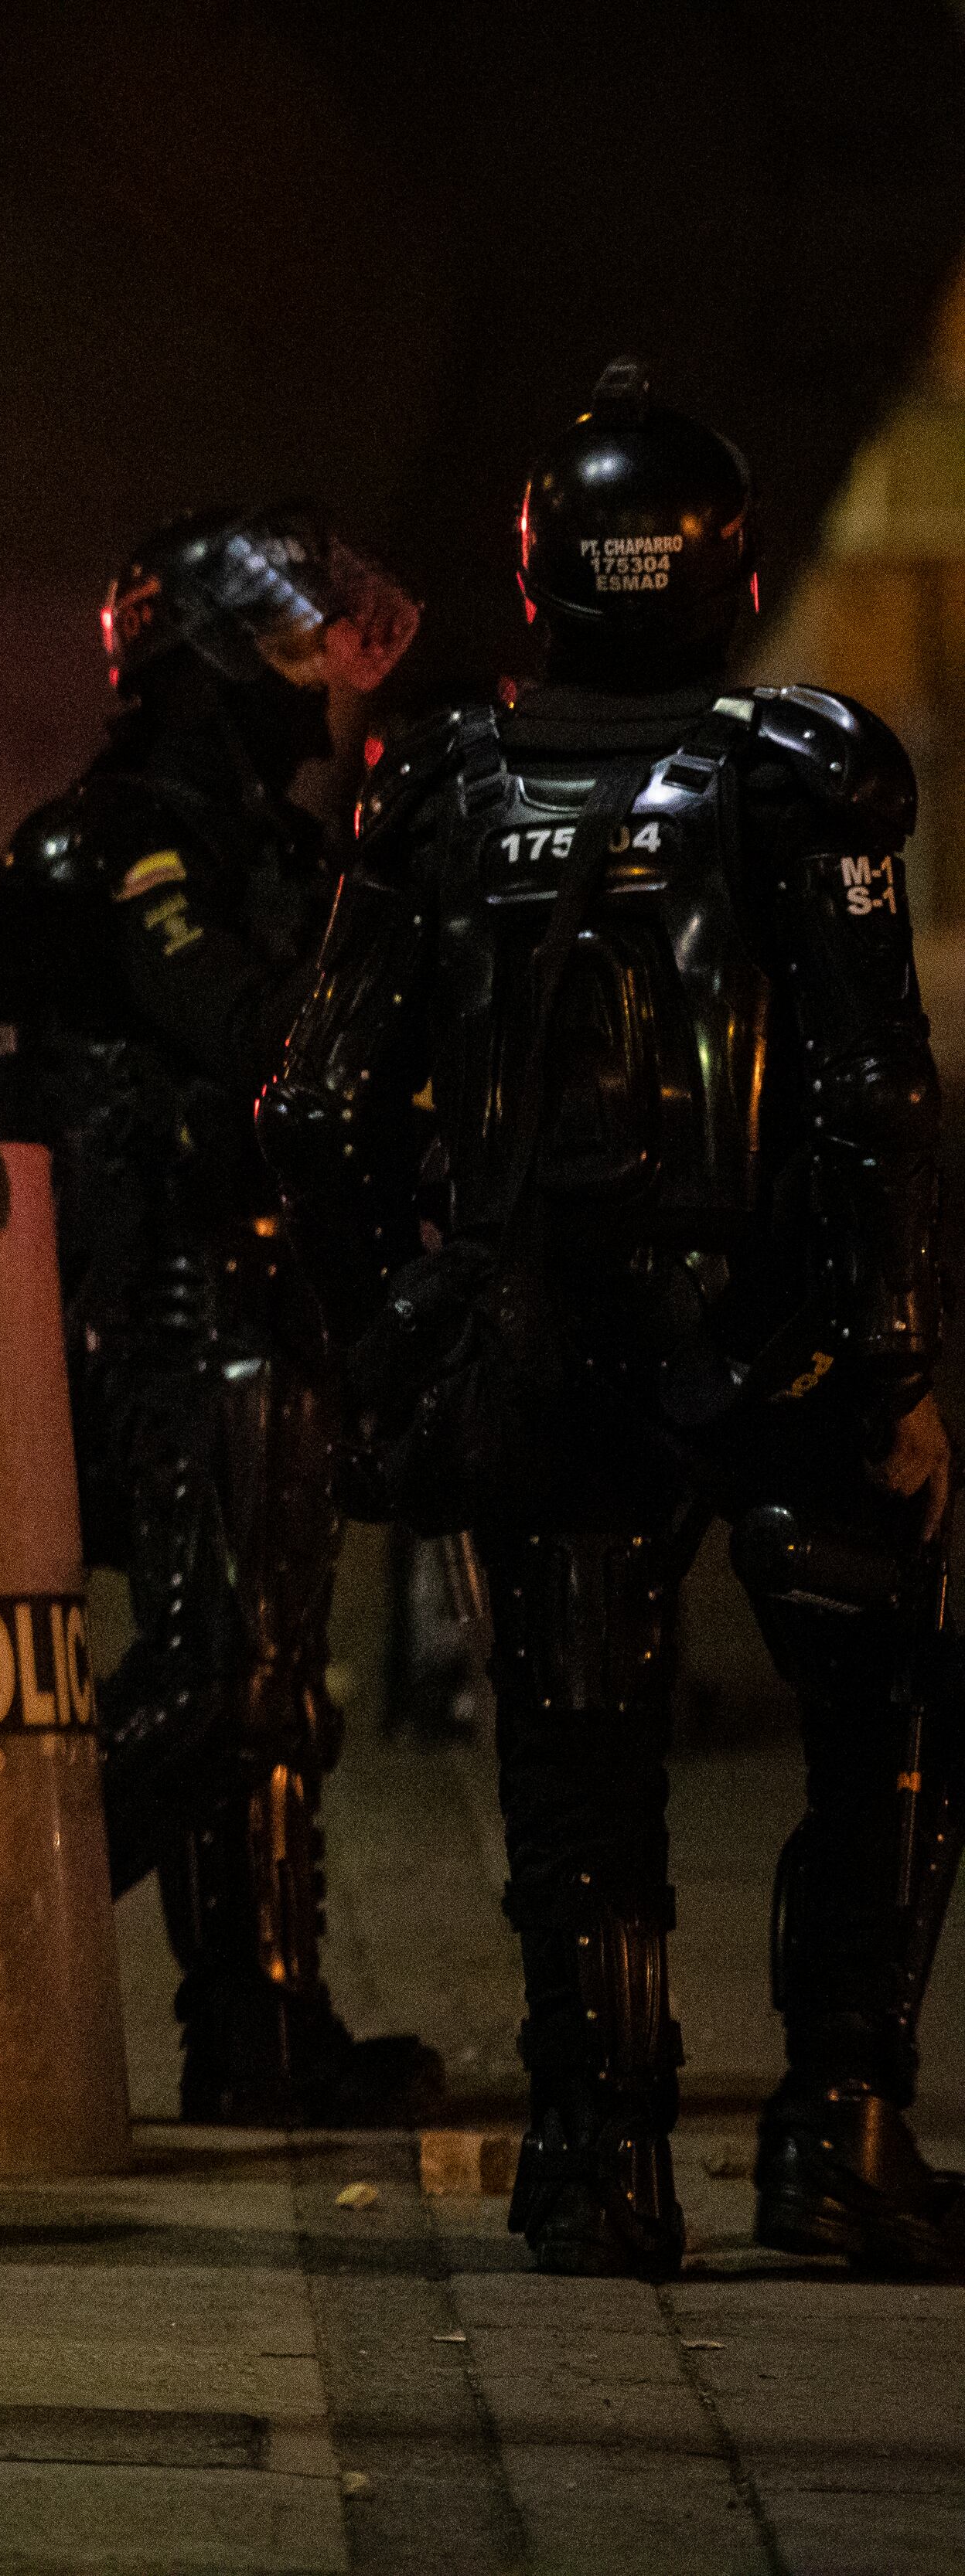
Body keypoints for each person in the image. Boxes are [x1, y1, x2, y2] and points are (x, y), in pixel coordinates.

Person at [266, 361, 959, 2278]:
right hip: (776, 1344)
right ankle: (837, 2131)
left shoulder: (434, 790)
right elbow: (872, 1093)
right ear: (727, 568)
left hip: (531, 1344)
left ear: (538, 569)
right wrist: (890, 1359)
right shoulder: (803, 765)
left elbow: (316, 1112)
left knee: (577, 1762)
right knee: (886, 1717)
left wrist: (393, 1336)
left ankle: (595, 2156)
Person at [0, 499, 443, 2126]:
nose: (315, 681)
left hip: (263, 1294)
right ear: (207, 661)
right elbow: (247, 1035)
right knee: (222, 1680)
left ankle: (263, 2020)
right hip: (158, 1304)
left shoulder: (257, 836)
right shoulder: (118, 840)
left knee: (281, 1678)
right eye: (288, 646)